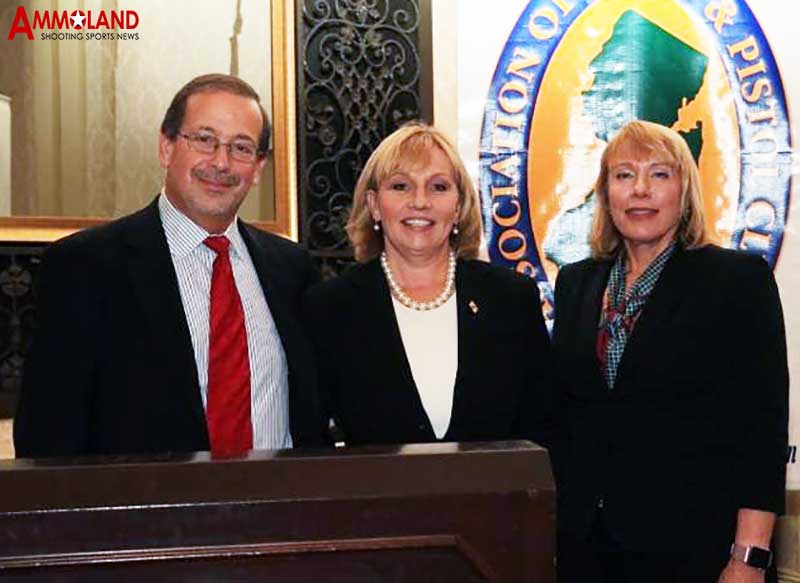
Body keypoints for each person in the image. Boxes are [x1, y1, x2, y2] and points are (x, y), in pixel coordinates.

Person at [14, 74, 325, 458]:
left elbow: (316, 413)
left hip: (284, 509)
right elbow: (47, 436)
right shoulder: (84, 267)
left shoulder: (293, 271)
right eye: (204, 139)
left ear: (258, 168)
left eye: (241, 147)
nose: (221, 162)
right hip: (145, 513)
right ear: (166, 147)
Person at [552, 120, 788, 583]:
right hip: (585, 549)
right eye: (623, 175)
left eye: (659, 174)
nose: (640, 189)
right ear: (604, 193)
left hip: (697, 551)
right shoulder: (576, 283)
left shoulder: (737, 282)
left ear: (685, 191)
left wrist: (749, 558)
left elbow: (762, 430)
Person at [303, 122, 557, 449]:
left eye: (438, 187)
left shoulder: (511, 298)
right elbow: (312, 439)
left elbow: (546, 427)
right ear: (374, 205)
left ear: (459, 206)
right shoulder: (329, 308)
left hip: (498, 500)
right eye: (400, 186)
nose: (420, 202)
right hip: (375, 500)